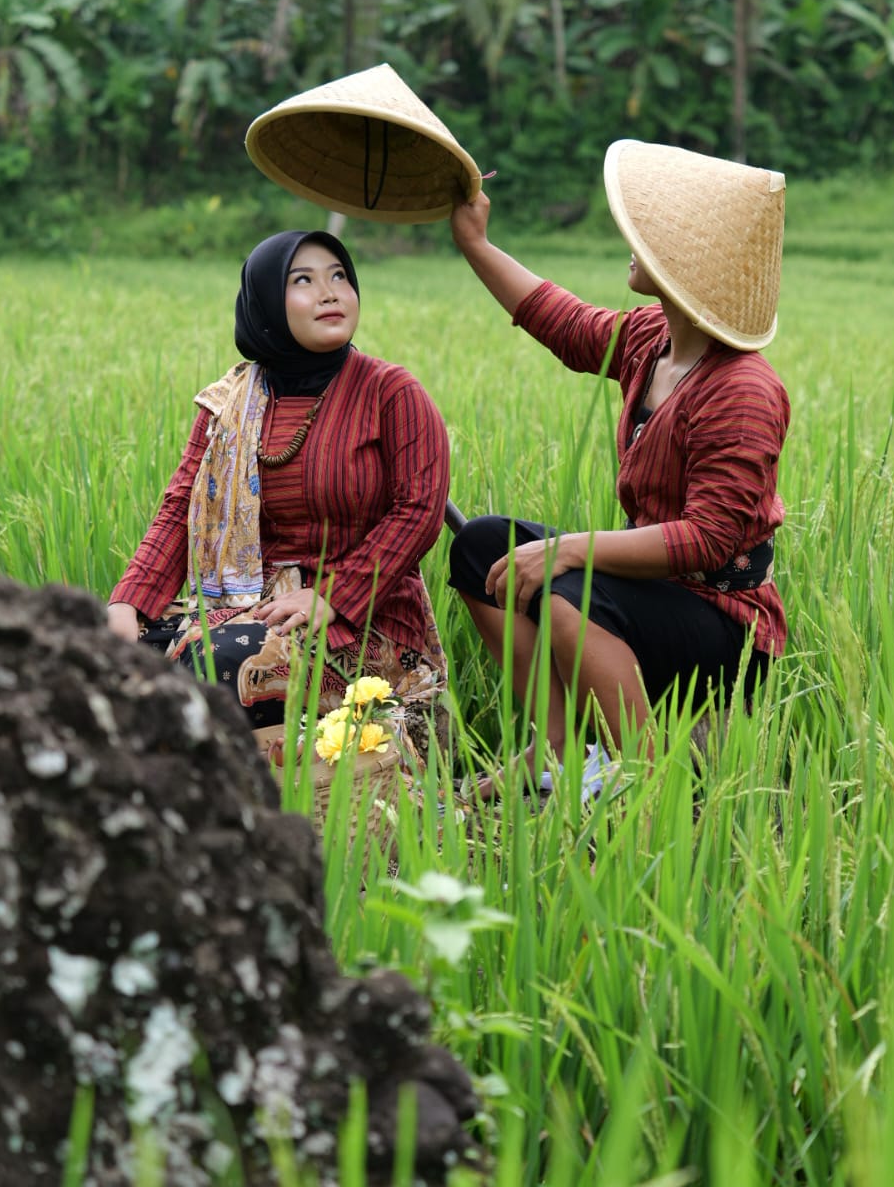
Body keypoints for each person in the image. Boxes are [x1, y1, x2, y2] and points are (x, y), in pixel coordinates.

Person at [447, 140, 790, 791]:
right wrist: (476, 244)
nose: (631, 242)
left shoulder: (742, 390)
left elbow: (708, 538)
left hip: (725, 623)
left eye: (651, 237)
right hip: (653, 594)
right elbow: (564, 322)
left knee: (569, 595)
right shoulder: (651, 340)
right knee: (481, 547)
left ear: (689, 264)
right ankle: (554, 747)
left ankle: (646, 784)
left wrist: (570, 550)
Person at [107, 229, 450, 735]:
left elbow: (418, 510)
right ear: (265, 302)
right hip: (247, 604)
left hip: (362, 620)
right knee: (112, 657)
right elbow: (181, 508)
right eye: (303, 280)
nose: (329, 293)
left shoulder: (390, 392)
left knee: (219, 666)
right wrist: (127, 601)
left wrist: (332, 595)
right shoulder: (229, 402)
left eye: (339, 276)